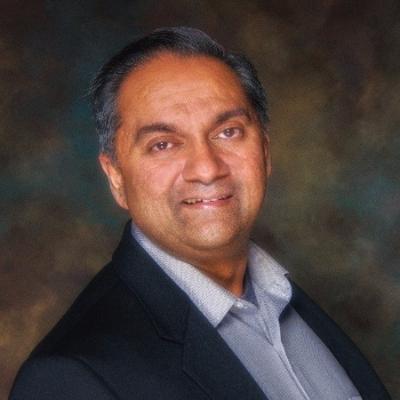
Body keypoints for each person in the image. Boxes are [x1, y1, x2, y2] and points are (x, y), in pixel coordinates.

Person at [10, 27, 390, 400]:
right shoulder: (67, 378)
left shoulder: (285, 299)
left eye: (228, 132)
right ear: (116, 178)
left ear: (265, 151)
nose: (207, 169)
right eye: (163, 144)